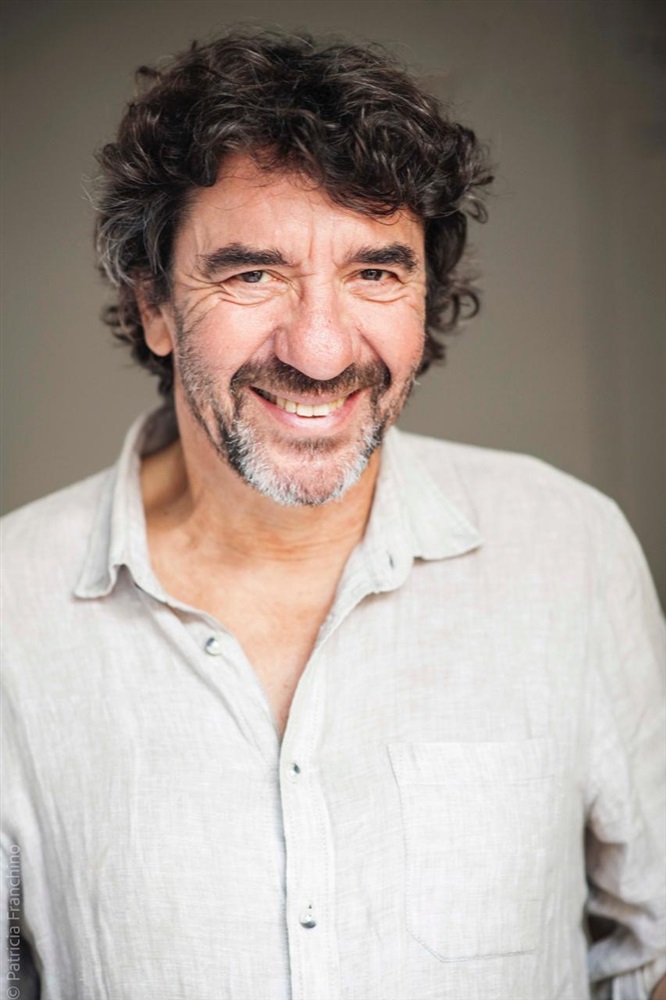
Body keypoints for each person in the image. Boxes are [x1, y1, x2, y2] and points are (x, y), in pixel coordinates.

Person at [1, 29, 664, 1000]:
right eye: (253, 274)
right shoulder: (11, 611)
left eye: (375, 272)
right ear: (154, 305)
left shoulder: (572, 550)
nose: (319, 351)